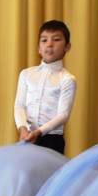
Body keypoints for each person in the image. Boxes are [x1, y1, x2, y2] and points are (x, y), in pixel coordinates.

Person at [14, 20, 76, 154]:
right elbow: (19, 105)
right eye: (44, 40)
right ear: (38, 49)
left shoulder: (67, 79)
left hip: (52, 139)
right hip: (27, 136)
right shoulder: (26, 74)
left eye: (56, 39)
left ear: (67, 47)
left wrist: (39, 132)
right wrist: (22, 128)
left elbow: (63, 115)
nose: (49, 44)